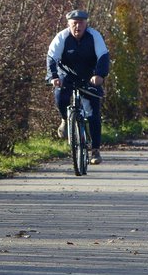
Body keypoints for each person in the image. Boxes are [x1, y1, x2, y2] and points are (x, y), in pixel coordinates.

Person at [46, 10, 110, 165]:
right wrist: (54, 76)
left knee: (94, 113)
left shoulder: (94, 36)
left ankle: (95, 150)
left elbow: (103, 56)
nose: (77, 26)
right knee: (60, 96)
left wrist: (100, 75)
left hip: (89, 76)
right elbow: (51, 57)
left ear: (86, 24)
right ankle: (64, 119)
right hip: (66, 76)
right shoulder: (62, 37)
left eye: (81, 23)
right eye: (74, 23)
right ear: (69, 24)